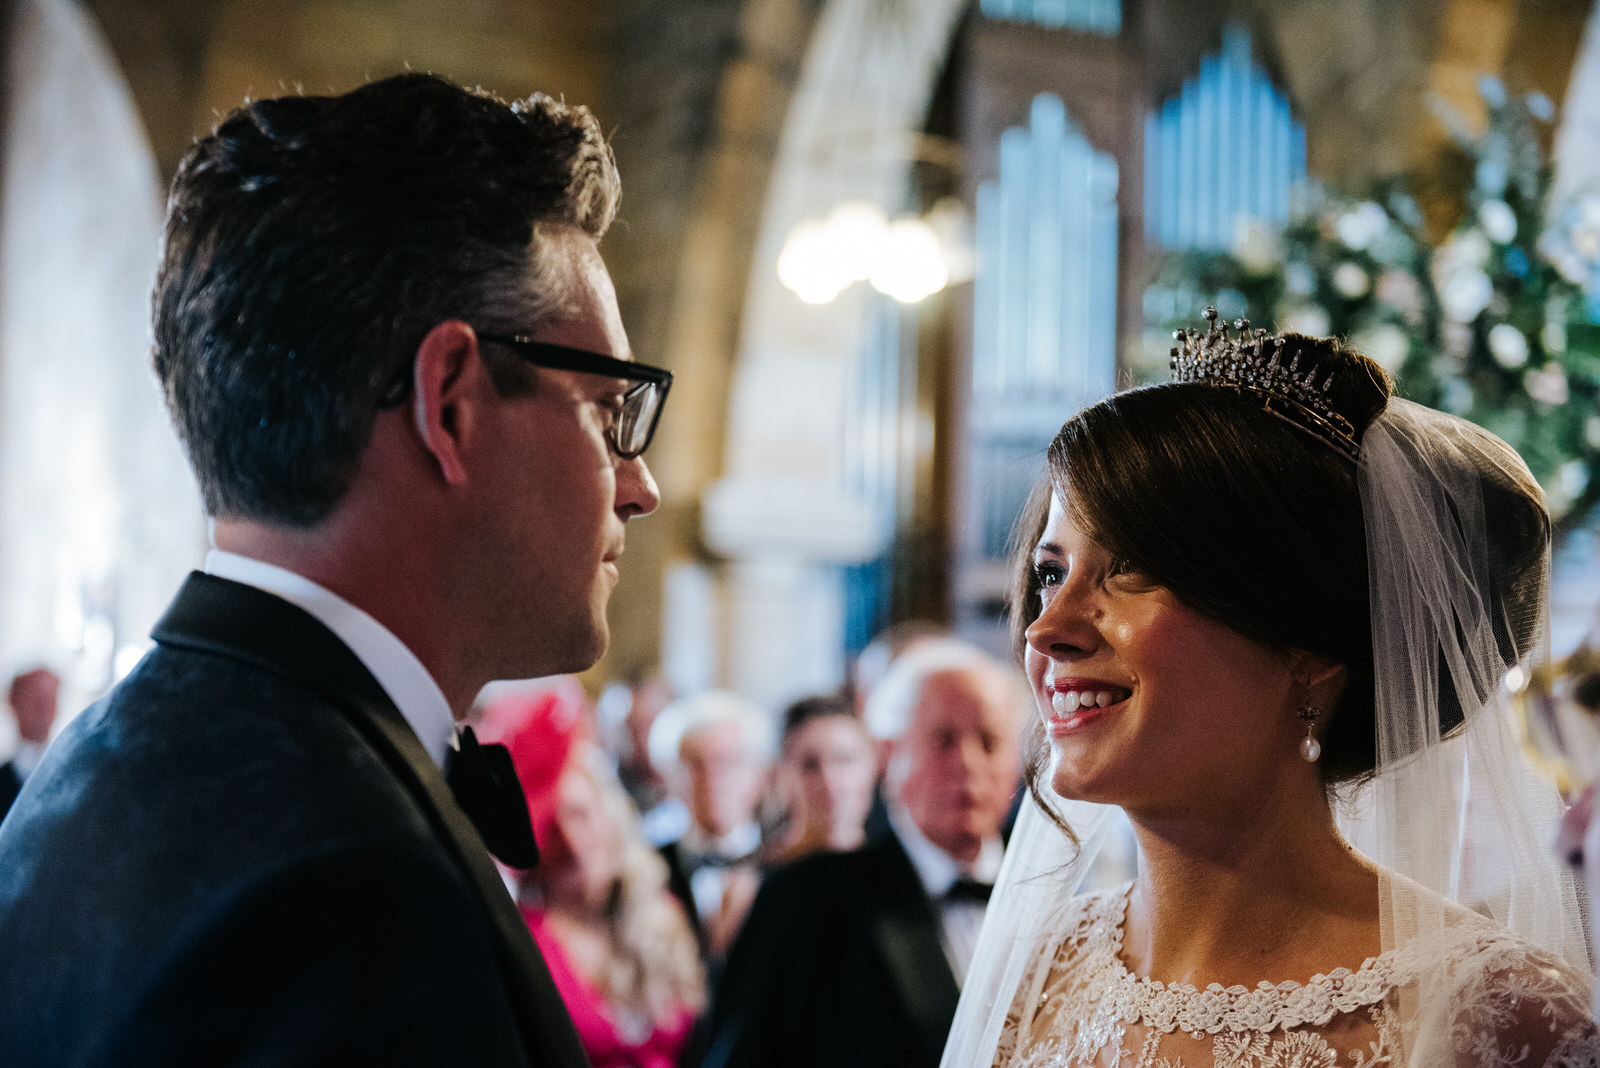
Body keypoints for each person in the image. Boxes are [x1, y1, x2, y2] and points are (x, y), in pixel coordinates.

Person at [0, 72, 666, 1065]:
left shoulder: (95, 762)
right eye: (609, 411)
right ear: (448, 403)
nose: (638, 485)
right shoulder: (354, 893)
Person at [945, 311, 1597, 1067]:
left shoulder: (1501, 1019)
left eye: (1131, 569)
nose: (1045, 628)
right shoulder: (1041, 975)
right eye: (1051, 572)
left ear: (1308, 645)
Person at [697, 638, 1025, 1068]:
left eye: (989, 742)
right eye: (943, 739)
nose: (968, 764)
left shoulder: (1058, 899)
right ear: (889, 754)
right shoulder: (805, 899)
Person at [480, 683, 705, 1068]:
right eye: (552, 826)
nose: (571, 840)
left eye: (582, 815)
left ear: (610, 816)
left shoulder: (663, 913)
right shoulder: (522, 940)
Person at [648, 689, 772, 968]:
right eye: (695, 763)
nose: (713, 777)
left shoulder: (782, 865)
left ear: (758, 776)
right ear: (671, 779)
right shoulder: (650, 868)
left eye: (728, 761)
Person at [767, 693, 878, 864]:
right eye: (810, 765)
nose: (830, 781)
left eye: (844, 760)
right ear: (780, 775)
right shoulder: (756, 882)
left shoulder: (908, 877)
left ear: (873, 765)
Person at [0, 667, 59, 820]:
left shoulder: (70, 773)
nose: (44, 709)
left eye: (50, 699)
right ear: (14, 702)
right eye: (36, 699)